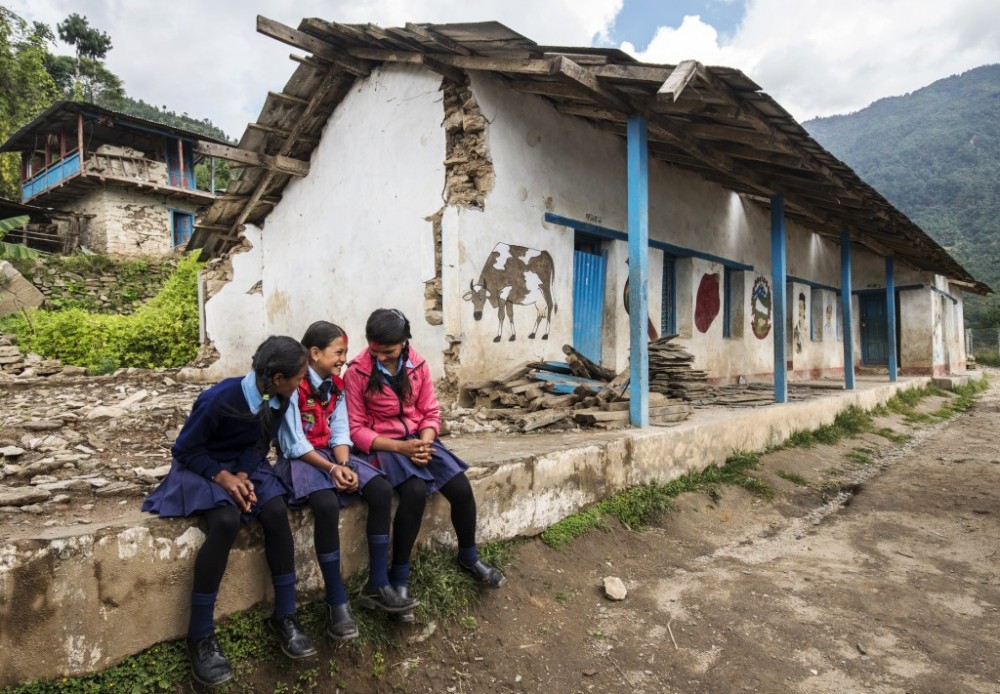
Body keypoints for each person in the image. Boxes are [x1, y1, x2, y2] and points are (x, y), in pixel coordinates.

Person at [142, 336, 316, 688]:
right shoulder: (218, 399)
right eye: (300, 377)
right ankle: (201, 636)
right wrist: (222, 477)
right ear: (278, 377)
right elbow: (185, 449)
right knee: (225, 520)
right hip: (203, 467)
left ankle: (285, 614)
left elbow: (258, 444)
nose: (304, 384)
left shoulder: (281, 397)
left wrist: (242, 475)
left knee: (275, 509)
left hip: (241, 467)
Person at [344, 308, 505, 622]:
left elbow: (430, 412)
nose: (382, 358)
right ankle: (399, 579)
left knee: (460, 487)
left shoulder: (417, 365)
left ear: (404, 342)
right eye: (375, 352)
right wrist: (400, 447)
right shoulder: (357, 372)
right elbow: (355, 429)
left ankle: (468, 556)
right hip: (384, 445)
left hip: (420, 440)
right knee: (414, 492)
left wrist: (426, 441)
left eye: (389, 352)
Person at [274, 321, 419, 639]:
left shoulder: (336, 387)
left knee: (380, 489)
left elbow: (340, 431)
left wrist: (343, 463)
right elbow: (293, 443)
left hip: (330, 455)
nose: (344, 359)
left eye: (344, 352)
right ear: (314, 353)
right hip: (303, 459)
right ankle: (336, 602)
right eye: (338, 353)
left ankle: (377, 583)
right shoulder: (292, 388)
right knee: (325, 503)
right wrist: (329, 469)